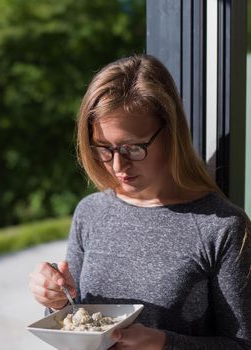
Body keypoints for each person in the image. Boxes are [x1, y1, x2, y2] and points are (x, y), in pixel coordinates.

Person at [29, 54, 251, 349]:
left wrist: (164, 343)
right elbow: (78, 319)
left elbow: (242, 344)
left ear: (171, 133)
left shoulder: (221, 227)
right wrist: (55, 303)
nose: (118, 166)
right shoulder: (91, 213)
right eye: (103, 148)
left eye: (133, 147)